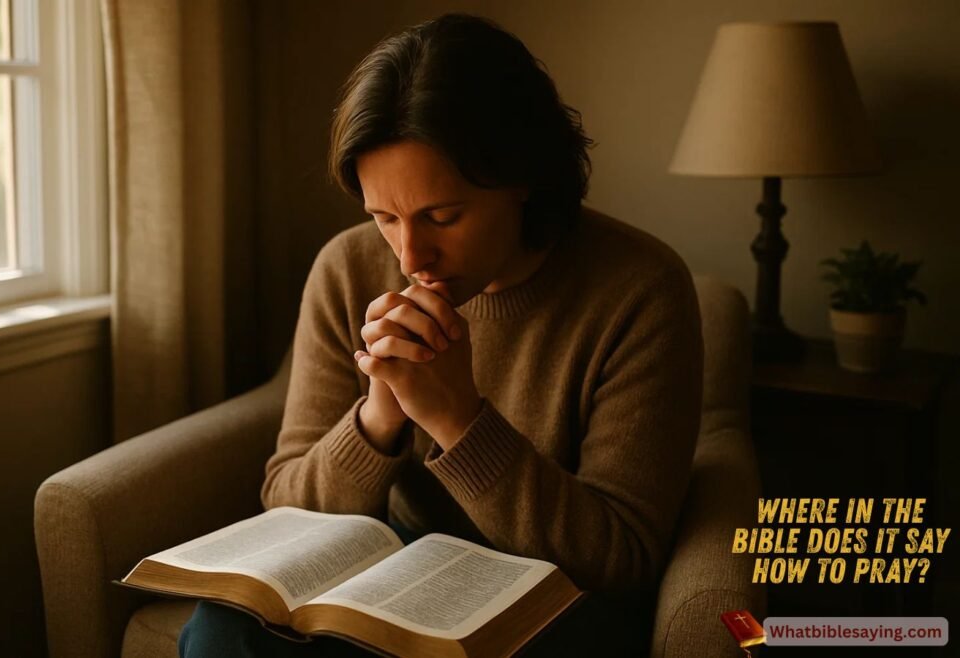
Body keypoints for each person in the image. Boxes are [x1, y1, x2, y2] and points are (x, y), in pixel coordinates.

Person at [179, 12, 702, 657]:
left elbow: (621, 558)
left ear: (523, 179)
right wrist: (379, 415)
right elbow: (285, 498)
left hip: (553, 596)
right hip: (398, 564)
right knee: (219, 631)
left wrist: (460, 419)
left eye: (442, 216)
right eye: (383, 217)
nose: (409, 255)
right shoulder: (346, 269)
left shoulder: (640, 289)